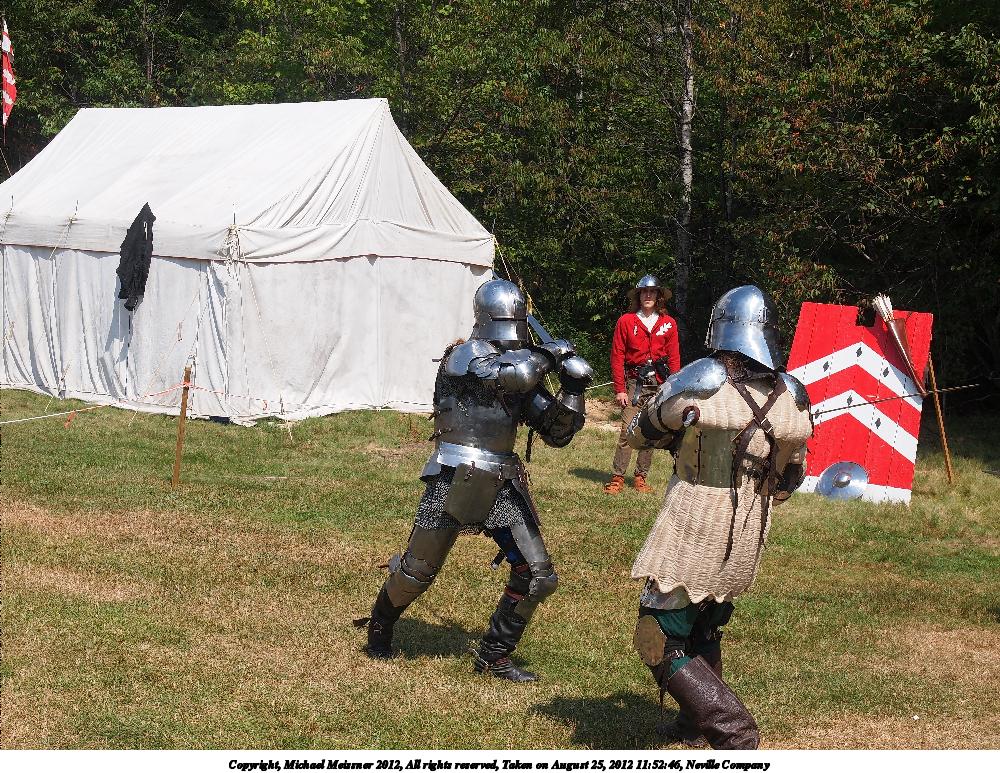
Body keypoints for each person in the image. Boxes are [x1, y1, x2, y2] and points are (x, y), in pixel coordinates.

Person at [355, 279, 593, 682]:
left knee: (538, 576)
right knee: (417, 572)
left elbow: (558, 432)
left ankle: (493, 656)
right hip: (455, 473)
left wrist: (573, 388)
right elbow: (515, 376)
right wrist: (551, 355)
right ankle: (380, 625)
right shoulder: (465, 355)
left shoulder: (520, 365)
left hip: (503, 478)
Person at [625, 285, 813, 749]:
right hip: (750, 525)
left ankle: (735, 734)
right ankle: (693, 725)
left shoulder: (703, 377)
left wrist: (677, 434)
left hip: (695, 517)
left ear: (721, 327)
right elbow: (790, 478)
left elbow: (639, 434)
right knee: (704, 622)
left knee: (657, 634)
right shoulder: (793, 393)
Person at [604, 274, 681, 494]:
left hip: (660, 383)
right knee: (627, 429)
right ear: (638, 296)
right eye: (644, 292)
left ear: (658, 296)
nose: (648, 295)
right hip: (634, 382)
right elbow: (617, 356)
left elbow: (674, 357)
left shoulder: (668, 324)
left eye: (652, 292)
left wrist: (674, 386)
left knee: (651, 430)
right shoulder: (626, 321)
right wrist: (620, 389)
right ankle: (618, 477)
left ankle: (640, 477)